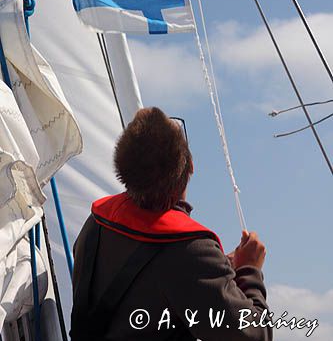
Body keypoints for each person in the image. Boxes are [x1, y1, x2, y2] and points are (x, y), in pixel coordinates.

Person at [70, 107, 273, 341]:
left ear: (125, 171)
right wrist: (250, 270)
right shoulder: (191, 252)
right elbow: (254, 335)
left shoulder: (95, 224)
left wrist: (220, 268)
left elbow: (149, 281)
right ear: (191, 166)